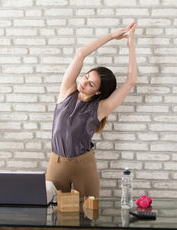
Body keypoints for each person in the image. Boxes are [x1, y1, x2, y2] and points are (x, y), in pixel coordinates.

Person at [46, 22, 137, 198]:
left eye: (91, 84)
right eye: (86, 76)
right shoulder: (67, 91)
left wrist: (130, 45)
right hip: (56, 162)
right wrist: (112, 36)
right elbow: (81, 54)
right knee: (53, 215)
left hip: (84, 165)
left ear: (98, 92)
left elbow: (131, 80)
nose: (84, 82)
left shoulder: (100, 108)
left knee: (89, 214)